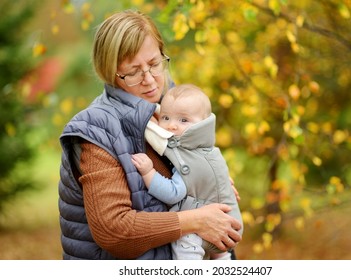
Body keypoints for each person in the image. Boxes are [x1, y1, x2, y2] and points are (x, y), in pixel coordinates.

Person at [58, 9, 242, 260]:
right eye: (133, 72)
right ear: (111, 73)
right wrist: (195, 220)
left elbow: (193, 167)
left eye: (155, 64)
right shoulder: (96, 129)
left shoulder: (173, 105)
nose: (150, 80)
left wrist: (209, 181)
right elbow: (114, 231)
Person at [131, 84, 243, 260]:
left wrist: (148, 173)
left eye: (183, 120)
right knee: (220, 255)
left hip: (203, 230)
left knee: (185, 242)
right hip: (229, 225)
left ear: (203, 125)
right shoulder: (211, 151)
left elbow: (173, 193)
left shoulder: (186, 159)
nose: (171, 126)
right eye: (166, 117)